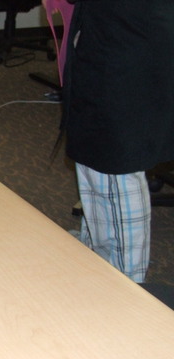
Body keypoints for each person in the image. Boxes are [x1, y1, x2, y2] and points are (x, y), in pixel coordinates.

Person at [60, 0, 174, 283]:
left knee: (112, 161)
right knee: (103, 158)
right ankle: (97, 252)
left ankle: (125, 280)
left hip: (123, 38)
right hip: (131, 30)